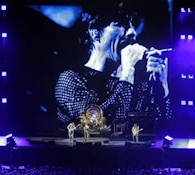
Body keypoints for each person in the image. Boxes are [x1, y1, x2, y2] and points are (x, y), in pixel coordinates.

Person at [55, 3, 172, 131]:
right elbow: (99, 126)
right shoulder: (70, 80)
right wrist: (127, 73)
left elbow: (165, 129)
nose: (132, 33)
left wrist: (162, 88)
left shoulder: (137, 82)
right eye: (120, 23)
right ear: (95, 32)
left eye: (133, 26)